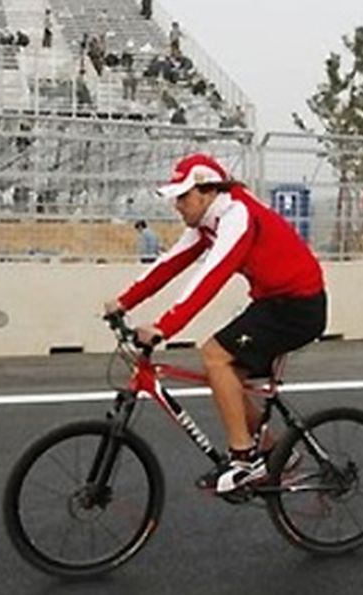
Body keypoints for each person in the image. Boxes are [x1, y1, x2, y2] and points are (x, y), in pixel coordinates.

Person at [103, 153, 326, 495]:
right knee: (225, 376)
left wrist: (165, 326)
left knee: (214, 354)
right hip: (272, 302)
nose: (178, 205)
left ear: (208, 192)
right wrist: (124, 300)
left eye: (183, 196)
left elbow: (212, 276)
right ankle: (275, 453)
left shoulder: (238, 215)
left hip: (297, 306)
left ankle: (243, 462)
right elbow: (170, 263)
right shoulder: (208, 221)